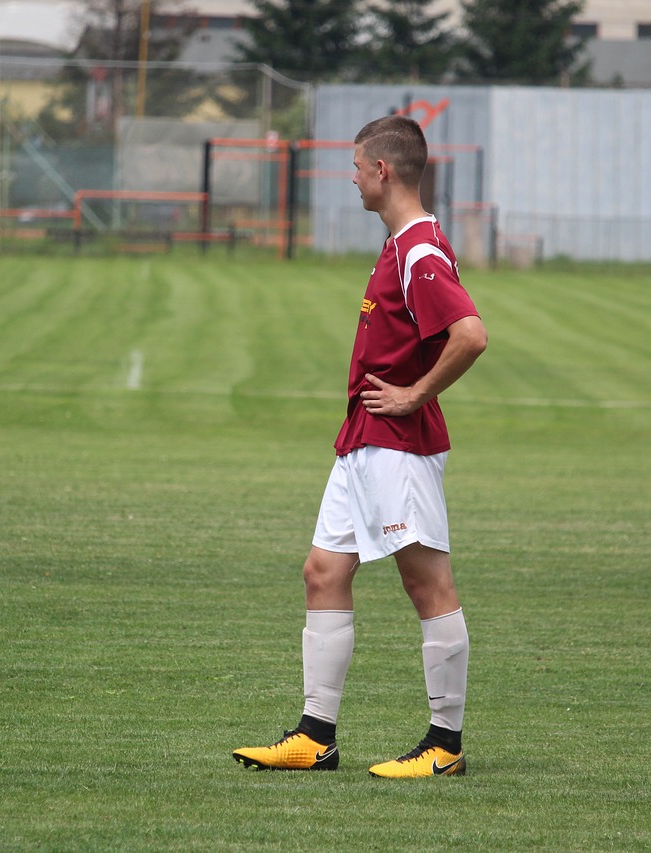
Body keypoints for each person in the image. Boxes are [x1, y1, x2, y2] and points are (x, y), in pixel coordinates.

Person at [233, 115, 488, 779]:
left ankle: (446, 743)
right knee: (323, 571)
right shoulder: (399, 242)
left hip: (397, 443)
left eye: (356, 165)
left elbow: (471, 334)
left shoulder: (420, 251)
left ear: (384, 171)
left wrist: (413, 395)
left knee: (425, 581)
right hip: (362, 443)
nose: (350, 175)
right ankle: (316, 737)